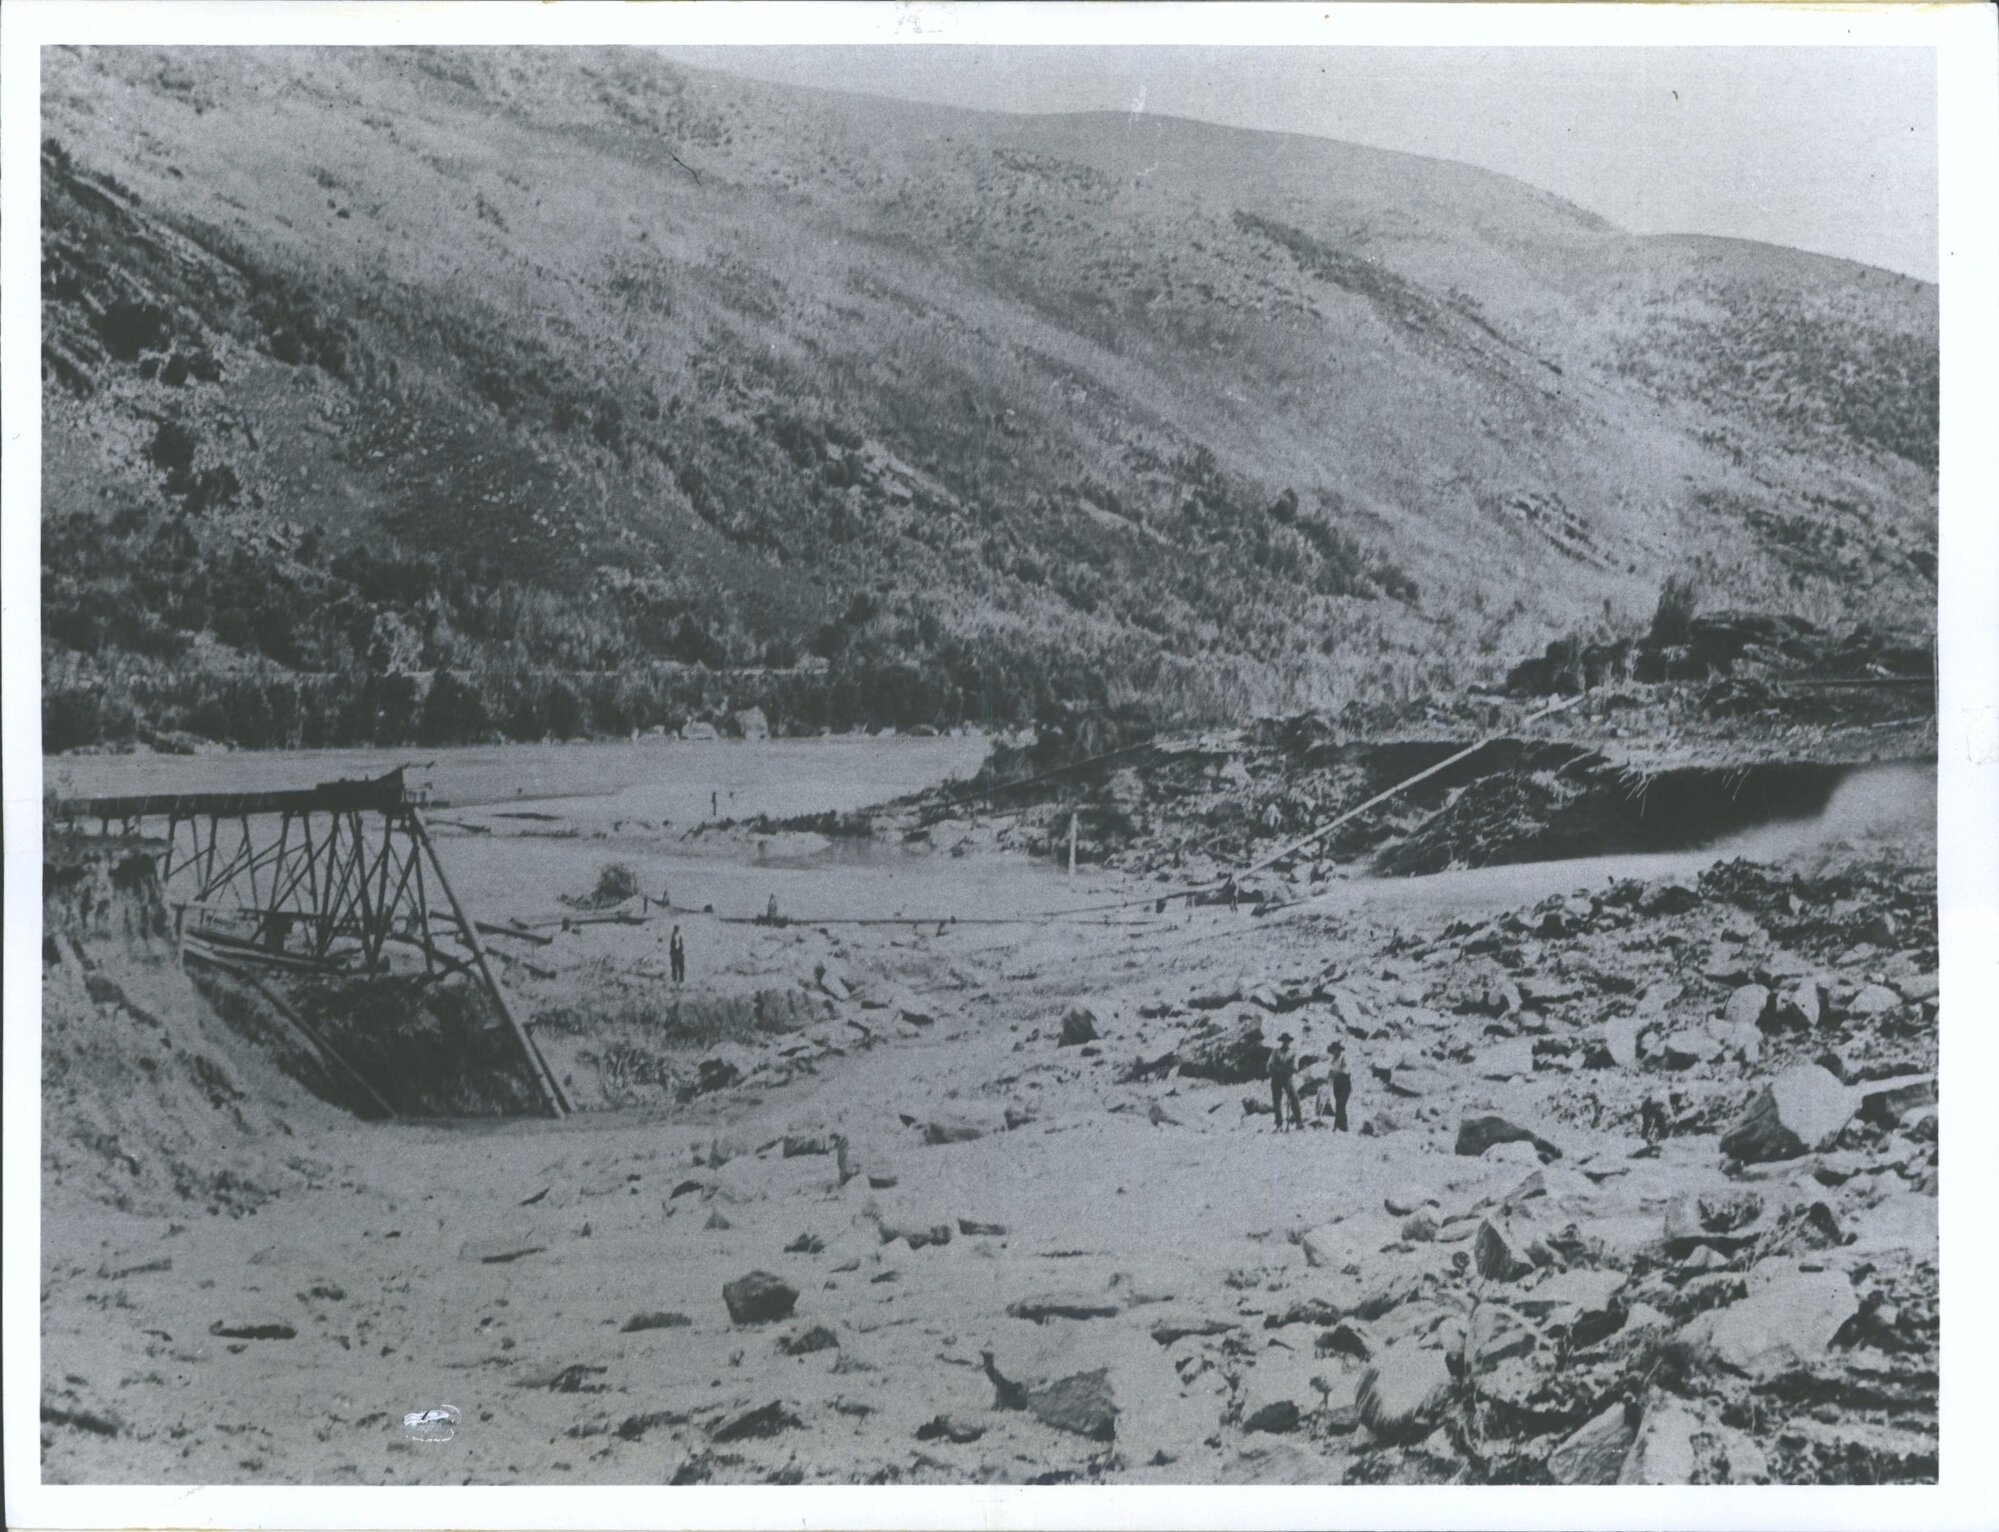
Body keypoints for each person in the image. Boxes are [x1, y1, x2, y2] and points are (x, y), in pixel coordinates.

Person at [1268, 1031, 1304, 1132]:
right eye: (1284, 1041)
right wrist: (1279, 1069)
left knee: (1294, 1097)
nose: (1285, 1043)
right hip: (1276, 1079)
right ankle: (1279, 1124)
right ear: (1281, 1041)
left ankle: (1299, 1122)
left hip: (1287, 1078)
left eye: (1287, 1041)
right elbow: (1270, 1065)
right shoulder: (1275, 1052)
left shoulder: (1293, 1053)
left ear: (1289, 1042)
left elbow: (1295, 1067)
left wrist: (1288, 1070)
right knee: (1276, 1101)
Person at [1327, 1037, 1353, 1132]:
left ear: (1338, 1050)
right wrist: (1330, 1074)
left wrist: (1336, 1073)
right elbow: (1331, 1070)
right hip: (1336, 1085)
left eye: (1335, 1050)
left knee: (1341, 1104)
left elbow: (1347, 1070)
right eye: (1333, 1051)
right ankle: (1342, 1125)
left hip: (1345, 1084)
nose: (1334, 1052)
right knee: (1339, 1105)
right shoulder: (1333, 1060)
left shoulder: (1344, 1057)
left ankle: (1338, 1126)